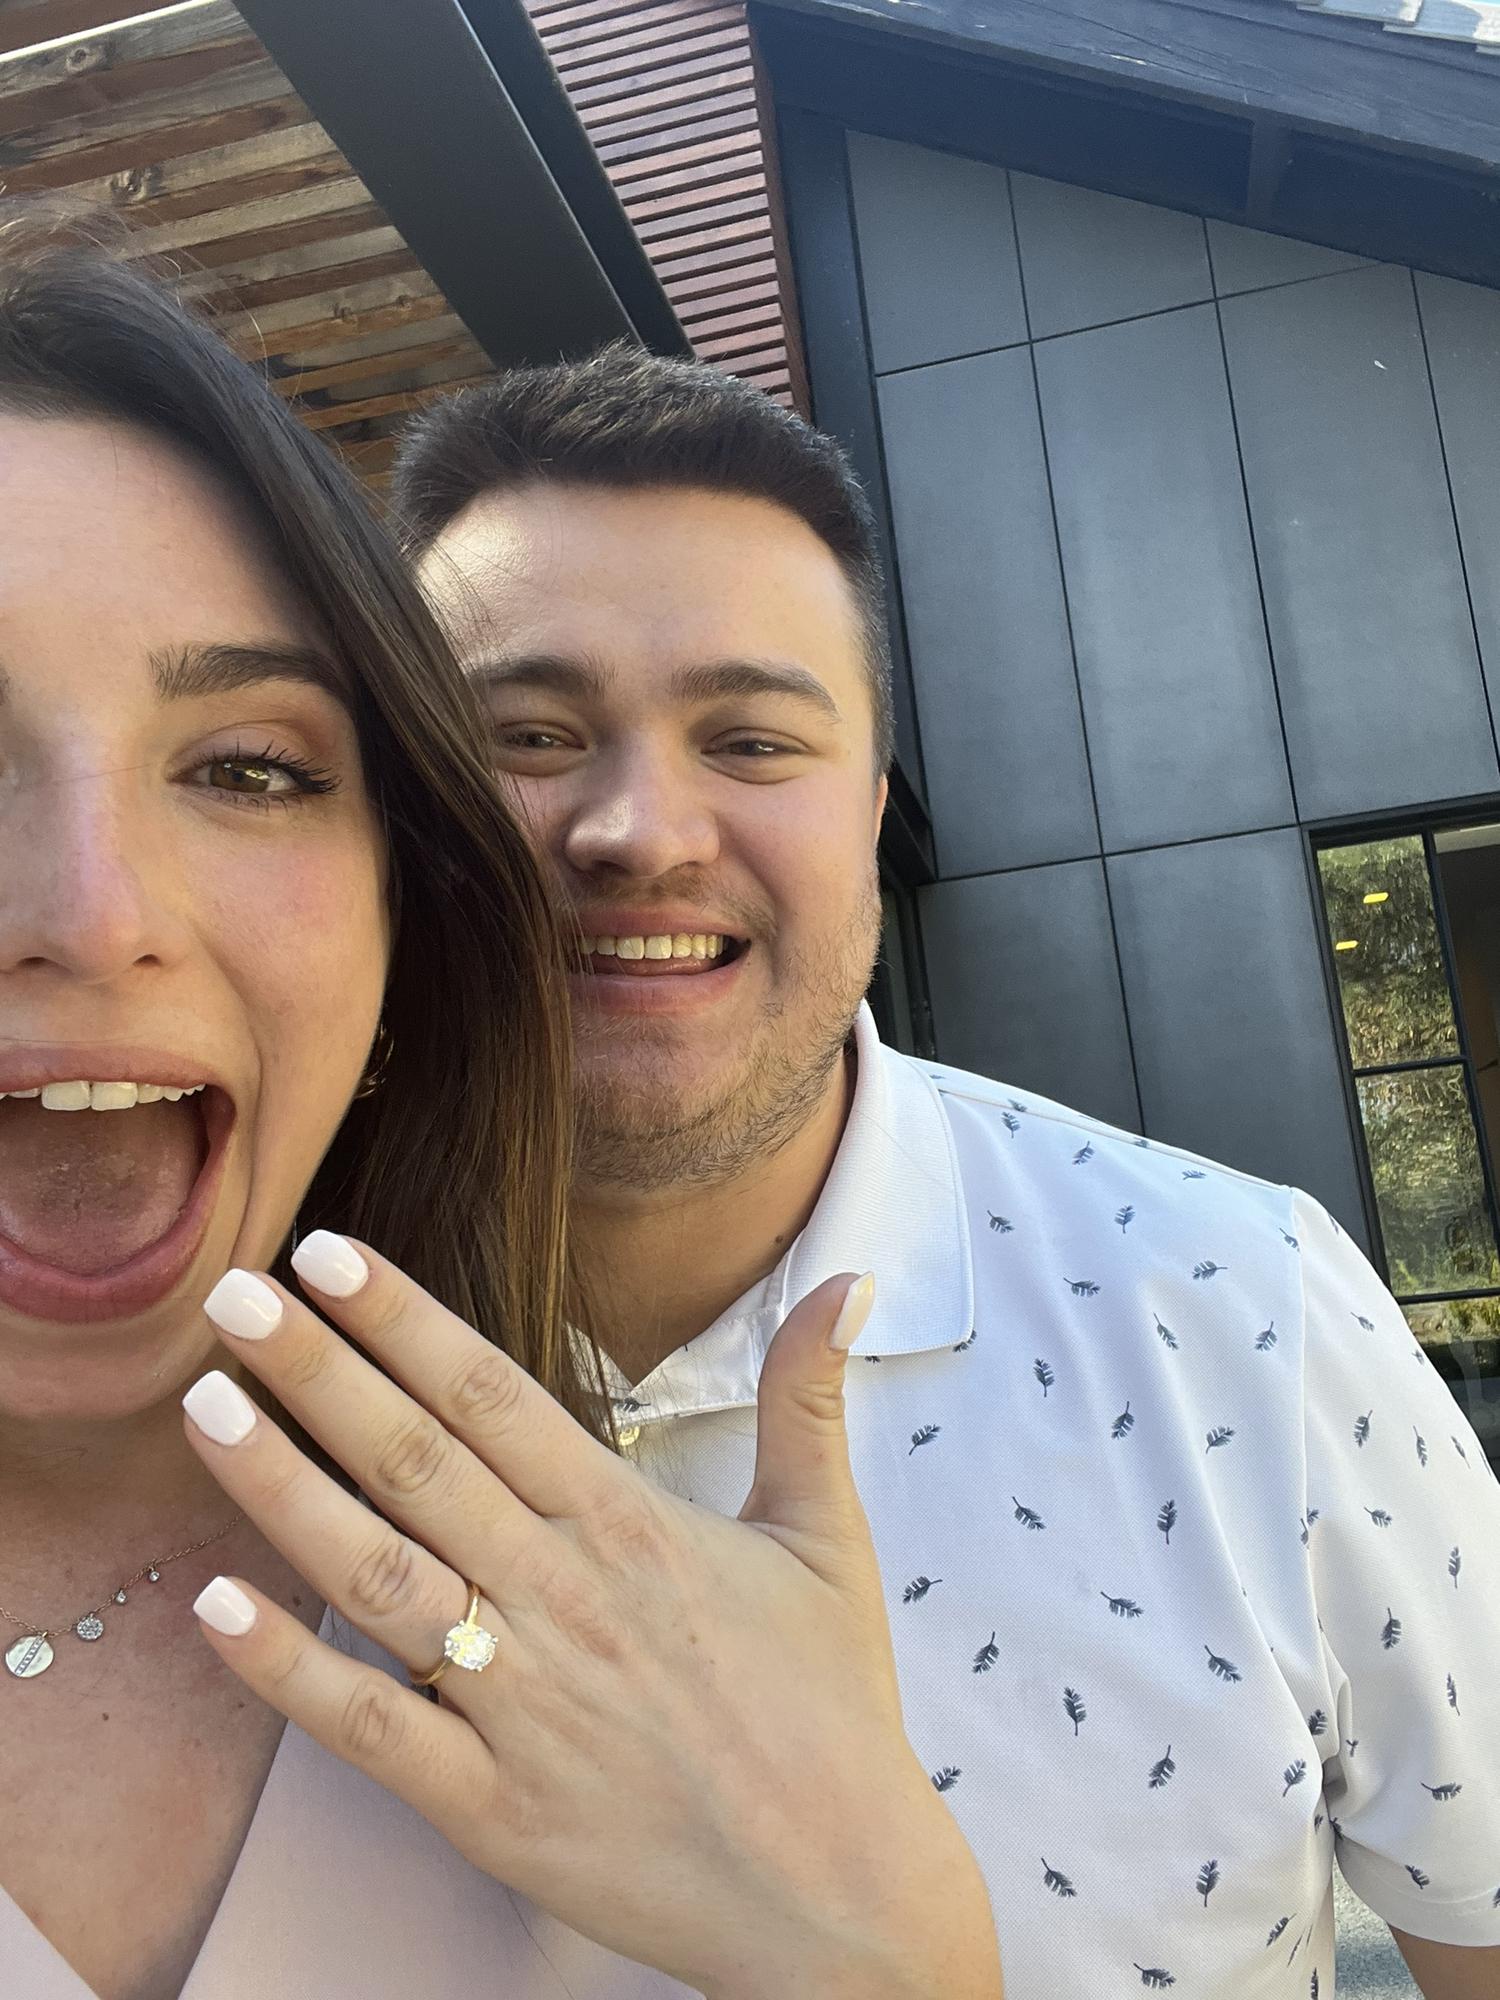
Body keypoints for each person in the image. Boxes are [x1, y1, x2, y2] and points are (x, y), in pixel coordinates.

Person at [396, 343, 1500, 2000]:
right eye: (531, 732)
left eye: (753, 739)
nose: (639, 829)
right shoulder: (200, 1355)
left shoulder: (1247, 1316)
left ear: (874, 816)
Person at [0, 216, 1000, 2000]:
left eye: (247, 766)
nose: (96, 911)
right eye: (527, 737)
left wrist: (881, 1960)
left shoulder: (634, 1645)